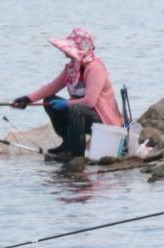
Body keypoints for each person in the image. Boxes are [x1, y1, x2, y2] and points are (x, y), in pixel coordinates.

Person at [11, 28, 122, 161]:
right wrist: (27, 99)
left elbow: (90, 102)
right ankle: (67, 145)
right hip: (82, 116)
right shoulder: (72, 68)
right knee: (49, 101)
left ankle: (77, 156)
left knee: (75, 109)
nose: (64, 52)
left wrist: (65, 103)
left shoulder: (95, 68)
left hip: (104, 122)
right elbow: (52, 87)